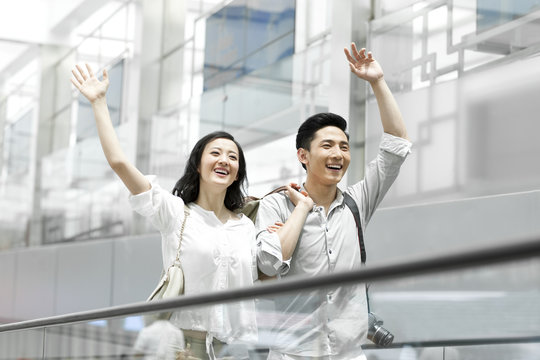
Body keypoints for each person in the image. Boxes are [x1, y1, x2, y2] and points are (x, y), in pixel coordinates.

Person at [71, 64, 257, 360]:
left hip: (238, 351)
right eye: (216, 153)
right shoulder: (175, 213)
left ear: (236, 174)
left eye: (232, 157)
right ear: (198, 165)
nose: (224, 160)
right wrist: (98, 102)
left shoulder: (246, 227)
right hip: (183, 349)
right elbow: (119, 163)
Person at [255, 43, 412, 359]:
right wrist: (301, 210)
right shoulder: (276, 205)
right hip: (292, 353)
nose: (338, 154)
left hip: (348, 353)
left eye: (344, 146)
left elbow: (396, 147)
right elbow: (268, 264)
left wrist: (377, 82)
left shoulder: (357, 202)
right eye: (327, 145)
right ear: (304, 155)